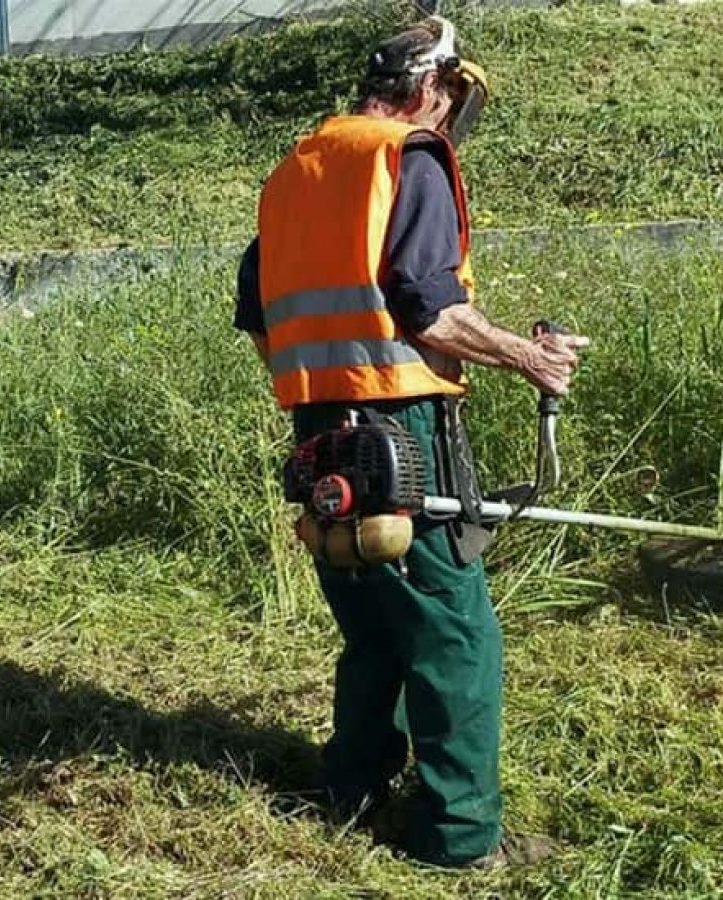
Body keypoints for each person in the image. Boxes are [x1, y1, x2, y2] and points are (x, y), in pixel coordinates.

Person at [233, 18, 589, 868]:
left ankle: (350, 789)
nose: (452, 116)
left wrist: (322, 393)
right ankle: (459, 838)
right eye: (453, 100)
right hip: (401, 425)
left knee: (373, 624)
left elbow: (258, 315)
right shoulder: (409, 156)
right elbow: (432, 308)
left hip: (318, 426)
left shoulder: (295, 169)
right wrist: (529, 357)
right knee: (453, 631)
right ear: (434, 87)